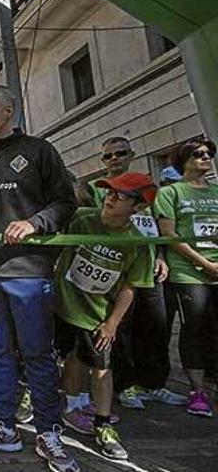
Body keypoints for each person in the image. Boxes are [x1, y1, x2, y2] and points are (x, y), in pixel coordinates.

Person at [0, 85, 79, 472]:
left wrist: (33, 223)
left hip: (27, 272)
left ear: (9, 111)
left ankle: (48, 431)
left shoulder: (40, 151)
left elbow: (65, 203)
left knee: (38, 354)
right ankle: (4, 425)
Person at [76, 138, 185, 415]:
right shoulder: (95, 190)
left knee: (156, 327)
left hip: (148, 269)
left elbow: (160, 228)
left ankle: (154, 383)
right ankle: (125, 386)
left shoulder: (149, 190)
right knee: (119, 329)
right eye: (108, 156)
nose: (114, 159)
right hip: (114, 272)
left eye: (120, 153)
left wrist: (161, 257)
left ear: (131, 155)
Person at [55, 172, 157, 460]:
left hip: (97, 313)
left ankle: (103, 422)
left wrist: (112, 322)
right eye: (109, 192)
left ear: (138, 207)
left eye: (120, 196)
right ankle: (73, 406)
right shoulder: (82, 219)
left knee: (101, 366)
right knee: (72, 356)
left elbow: (130, 287)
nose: (110, 198)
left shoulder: (136, 242)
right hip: (64, 304)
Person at [154, 138, 218, 417]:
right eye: (198, 154)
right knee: (195, 326)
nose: (205, 158)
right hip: (189, 270)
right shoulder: (170, 193)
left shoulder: (216, 191)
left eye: (208, 154)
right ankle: (197, 390)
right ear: (184, 160)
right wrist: (203, 262)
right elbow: (168, 234)